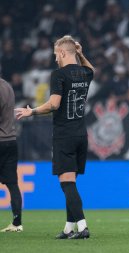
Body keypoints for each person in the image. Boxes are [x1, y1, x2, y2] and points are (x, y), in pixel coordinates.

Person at [15, 35, 95, 239]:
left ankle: (83, 227)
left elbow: (53, 104)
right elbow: (92, 70)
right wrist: (80, 52)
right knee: (71, 182)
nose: (55, 59)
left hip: (64, 135)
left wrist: (31, 111)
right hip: (81, 135)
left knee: (66, 183)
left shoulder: (58, 74)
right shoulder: (84, 72)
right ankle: (69, 227)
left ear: (62, 52)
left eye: (55, 54)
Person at [0, 78, 23, 232]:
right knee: (12, 184)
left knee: (12, 184)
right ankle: (17, 223)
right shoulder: (7, 85)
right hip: (11, 140)